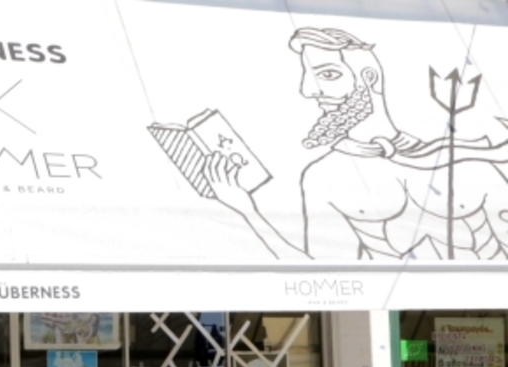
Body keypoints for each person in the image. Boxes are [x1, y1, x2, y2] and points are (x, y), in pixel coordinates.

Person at [206, 27, 508, 260]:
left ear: (369, 78)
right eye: (307, 76)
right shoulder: (323, 176)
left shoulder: (462, 157)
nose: (310, 90)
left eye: (328, 74)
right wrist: (246, 210)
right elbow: (318, 276)